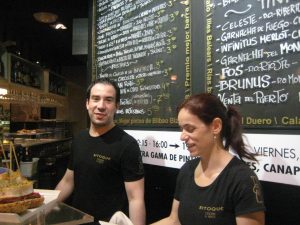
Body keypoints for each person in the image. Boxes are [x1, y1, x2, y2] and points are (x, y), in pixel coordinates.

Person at [151, 93, 265, 225]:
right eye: (182, 129)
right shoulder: (187, 170)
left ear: (215, 126)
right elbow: (174, 220)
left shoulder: (241, 179)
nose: (182, 136)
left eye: (190, 129)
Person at [55, 78, 145, 225]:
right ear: (87, 103)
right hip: (77, 221)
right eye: (95, 99)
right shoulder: (79, 139)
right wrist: (45, 206)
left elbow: (136, 199)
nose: (101, 106)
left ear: (117, 106)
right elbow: (67, 181)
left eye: (108, 100)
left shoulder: (127, 145)